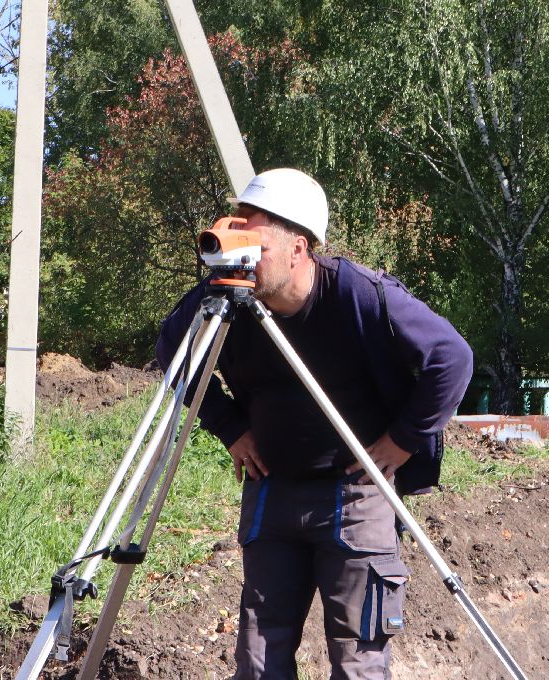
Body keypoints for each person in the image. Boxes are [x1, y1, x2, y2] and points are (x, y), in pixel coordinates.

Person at [156, 168, 472, 680]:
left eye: (254, 241)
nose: (240, 254)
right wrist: (229, 426)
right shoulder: (228, 298)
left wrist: (403, 440)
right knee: (258, 659)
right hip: (272, 492)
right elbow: (172, 351)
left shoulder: (359, 295)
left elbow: (451, 358)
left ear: (299, 248)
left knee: (358, 661)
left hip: (356, 496)